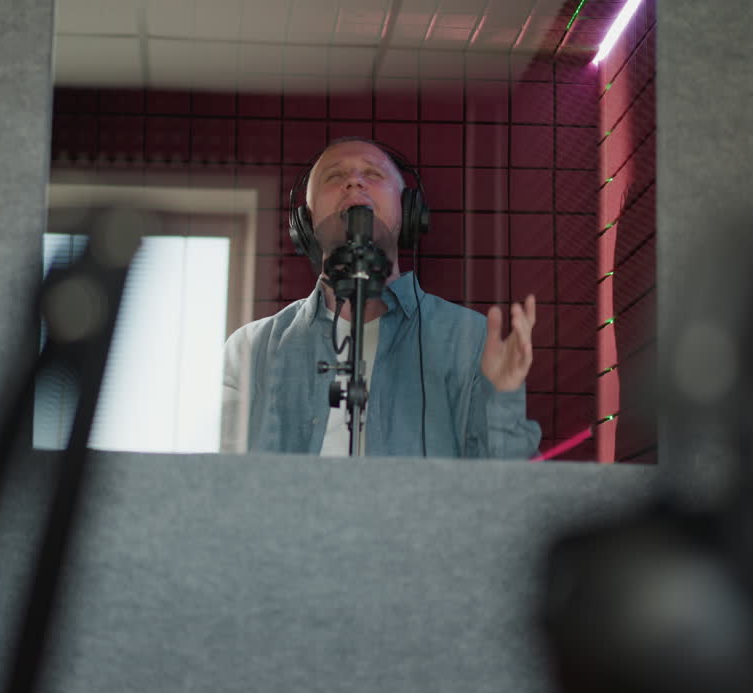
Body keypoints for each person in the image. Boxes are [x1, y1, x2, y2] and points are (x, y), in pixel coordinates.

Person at [220, 138, 540, 457]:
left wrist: (504, 397)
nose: (354, 181)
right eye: (334, 176)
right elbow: (223, 481)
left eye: (373, 174)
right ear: (306, 224)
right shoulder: (251, 349)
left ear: (408, 209)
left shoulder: (471, 341)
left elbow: (502, 482)